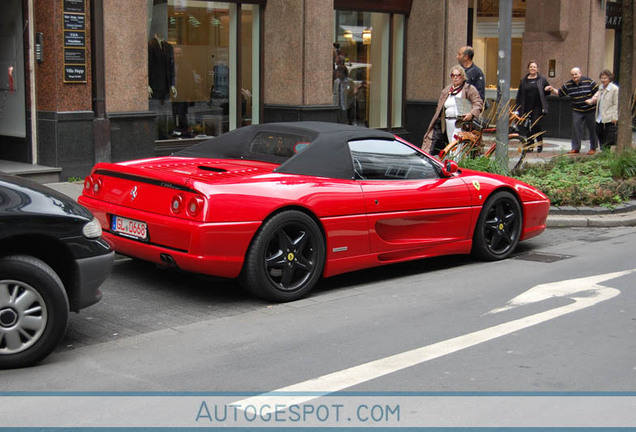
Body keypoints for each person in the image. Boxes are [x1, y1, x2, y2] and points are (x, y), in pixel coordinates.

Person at [422, 65, 483, 154]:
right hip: (447, 122)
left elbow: (478, 103)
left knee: (456, 145)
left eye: (458, 75)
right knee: (450, 145)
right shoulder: (447, 90)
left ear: (463, 76)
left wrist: (471, 114)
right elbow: (439, 108)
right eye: (453, 75)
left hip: (460, 123)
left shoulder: (469, 89)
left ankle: (456, 164)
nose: (455, 78)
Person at [546, 67, 600, 155]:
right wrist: (552, 89)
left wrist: (593, 99)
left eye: (576, 74)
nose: (574, 76)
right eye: (572, 75)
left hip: (590, 109)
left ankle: (593, 148)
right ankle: (575, 148)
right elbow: (560, 93)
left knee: (592, 129)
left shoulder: (588, 81)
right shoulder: (569, 84)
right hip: (577, 110)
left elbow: (598, 90)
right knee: (576, 128)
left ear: (580, 74)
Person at [516, 61, 551, 153]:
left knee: (536, 125)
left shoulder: (542, 79)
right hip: (526, 107)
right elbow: (520, 94)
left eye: (534, 67)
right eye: (531, 67)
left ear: (537, 69)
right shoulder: (524, 80)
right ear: (528, 68)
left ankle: (539, 144)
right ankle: (530, 145)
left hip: (538, 107)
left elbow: (547, 92)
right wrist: (518, 107)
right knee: (527, 127)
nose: (532, 69)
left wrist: (547, 90)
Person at [586, 69, 619, 150]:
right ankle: (602, 149)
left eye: (605, 78)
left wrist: (615, 117)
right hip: (599, 116)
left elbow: (616, 104)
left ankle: (606, 152)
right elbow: (597, 98)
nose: (603, 80)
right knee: (599, 132)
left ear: (609, 78)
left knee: (608, 136)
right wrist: (591, 101)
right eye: (602, 78)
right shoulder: (600, 88)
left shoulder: (615, 89)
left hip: (609, 117)